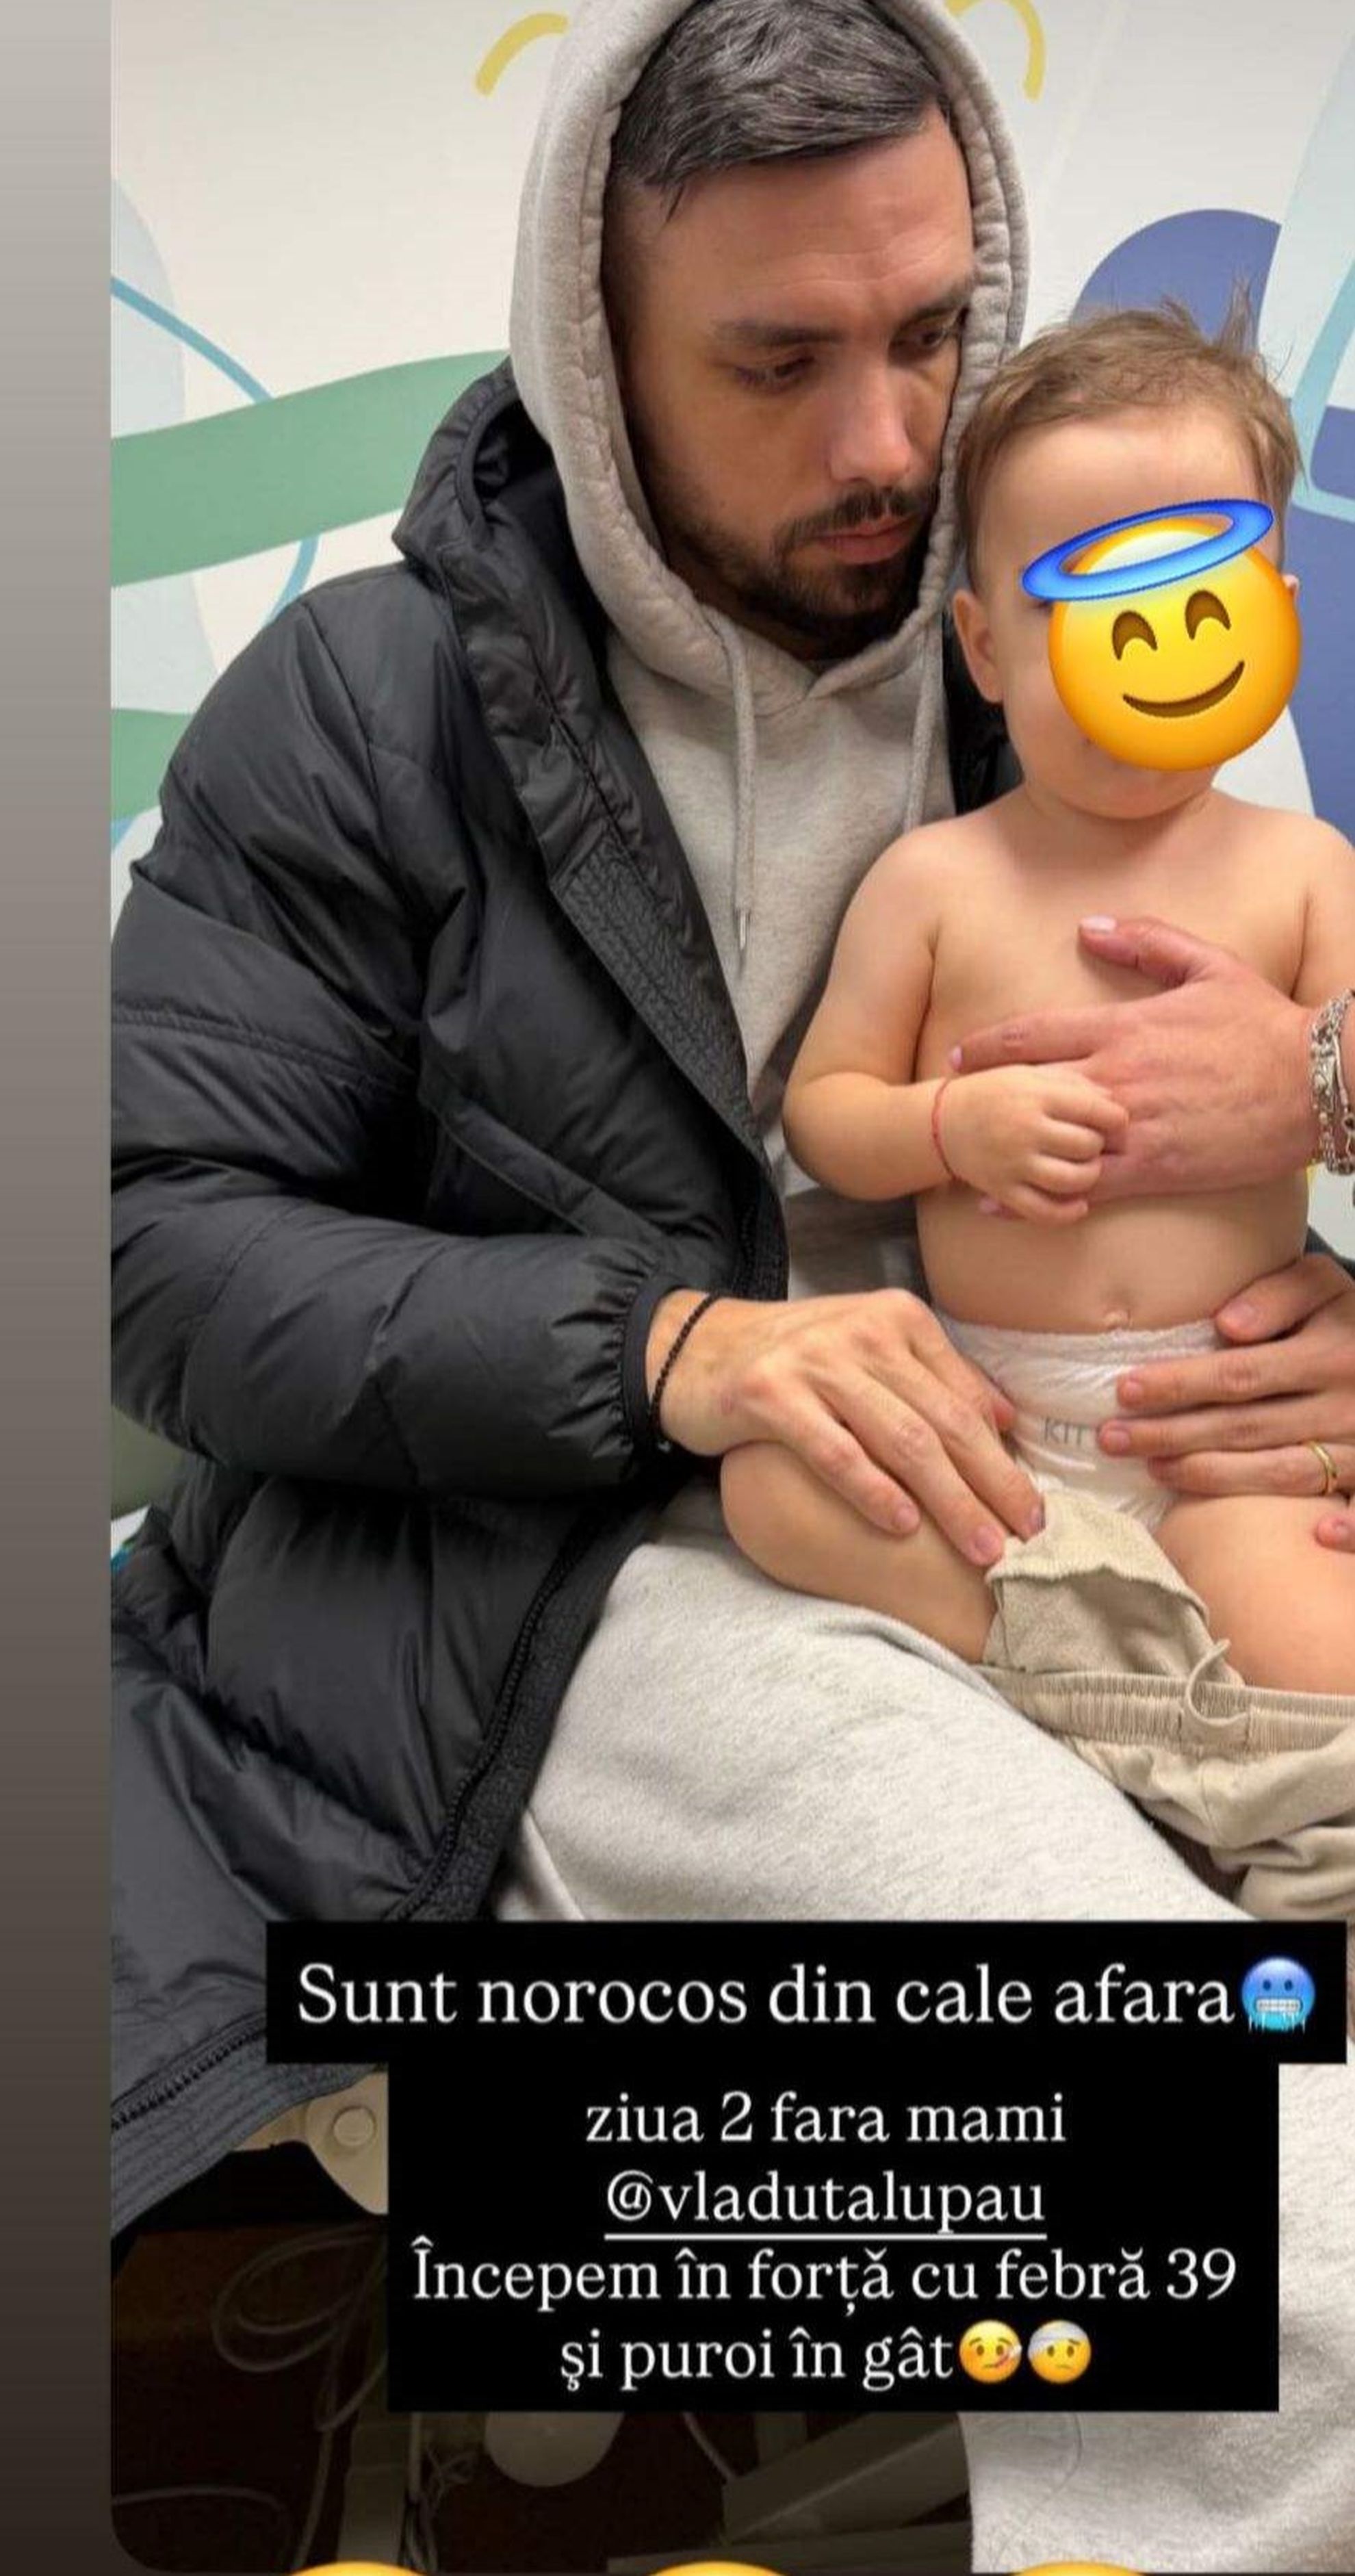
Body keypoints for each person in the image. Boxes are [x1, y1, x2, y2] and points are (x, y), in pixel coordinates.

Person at [109, 0, 1355, 2565]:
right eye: (776, 364)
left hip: (1083, 1487)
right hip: (578, 1566)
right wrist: (668, 1348)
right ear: (596, 350)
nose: (886, 440)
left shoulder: (1071, 640)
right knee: (1257, 2186)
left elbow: (1256, 1079)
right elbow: (155, 1251)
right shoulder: (358, 708)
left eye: (928, 337)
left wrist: (1312, 1193)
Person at [723, 300, 1355, 1697]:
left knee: (1320, 1648)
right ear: (985, 647)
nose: (1148, 651)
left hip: (1223, 1431)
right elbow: (827, 1115)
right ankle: (1112, 1662)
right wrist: (952, 1129)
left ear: (1273, 617)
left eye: (1196, 596)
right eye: (1086, 609)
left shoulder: (1307, 873)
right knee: (770, 1485)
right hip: (992, 1422)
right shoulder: (935, 882)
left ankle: (1137, 1676)